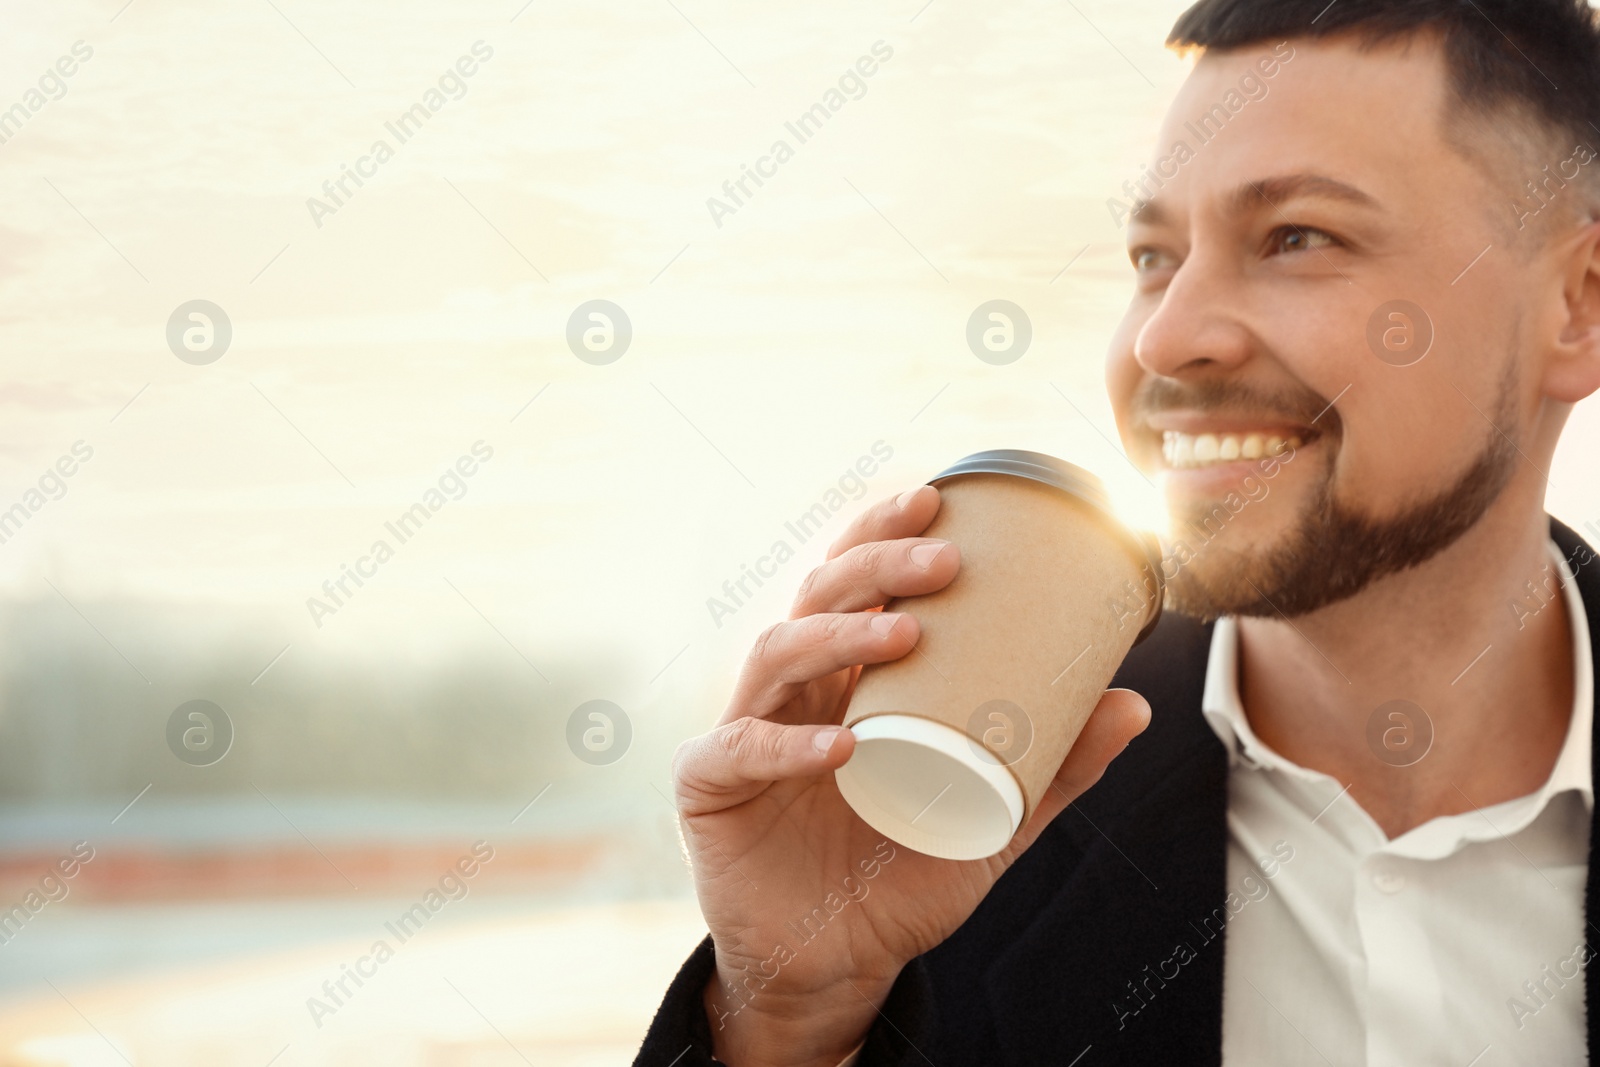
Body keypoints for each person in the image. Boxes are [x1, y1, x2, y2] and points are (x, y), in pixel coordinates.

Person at [635, 0, 1600, 1062]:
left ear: (1578, 304)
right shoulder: (954, 830)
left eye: (1296, 237)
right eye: (1153, 256)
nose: (1167, 335)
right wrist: (787, 1016)